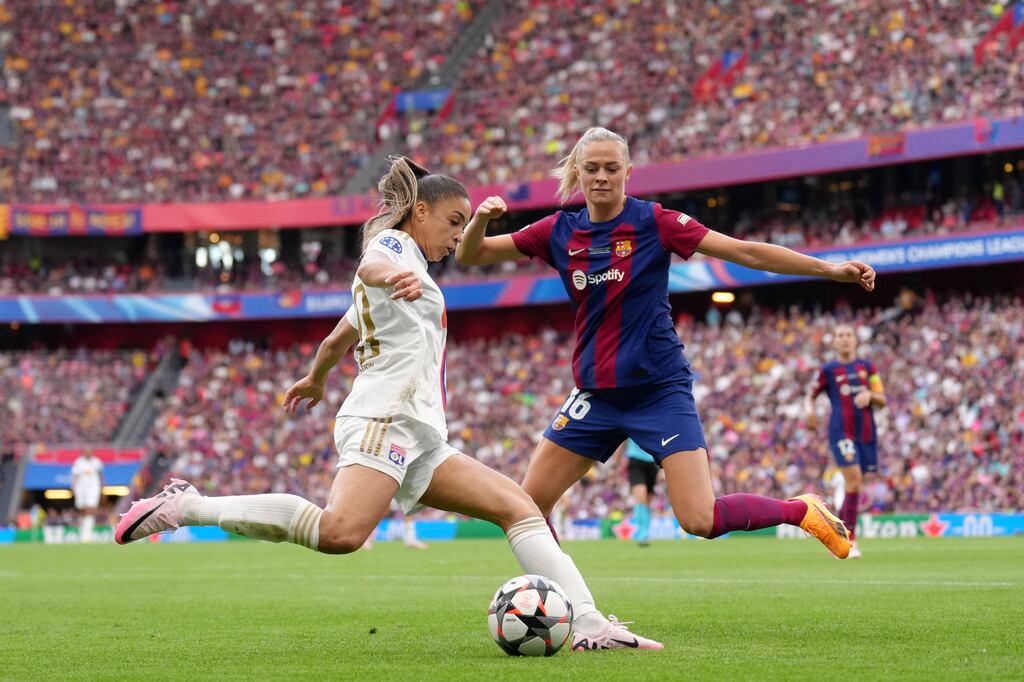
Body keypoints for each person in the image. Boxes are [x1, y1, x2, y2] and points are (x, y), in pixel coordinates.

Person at [116, 156, 660, 651]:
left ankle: (589, 623)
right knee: (340, 534)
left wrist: (315, 378)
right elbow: (372, 264)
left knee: (518, 507)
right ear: (419, 212)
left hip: (419, 432)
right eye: (454, 221)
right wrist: (390, 274)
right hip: (386, 419)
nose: (459, 235)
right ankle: (186, 507)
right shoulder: (397, 249)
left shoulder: (413, 274)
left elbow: (338, 338)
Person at [456, 127, 877, 560]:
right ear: (578, 173)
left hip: (658, 389)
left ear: (628, 172)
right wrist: (481, 221)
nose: (601, 176)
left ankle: (801, 510)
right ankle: (573, 609)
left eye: (611, 168)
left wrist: (830, 269)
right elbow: (471, 255)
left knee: (700, 519)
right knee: (527, 508)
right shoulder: (557, 231)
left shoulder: (654, 222)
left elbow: (744, 252)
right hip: (595, 394)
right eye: (592, 168)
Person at [806, 324, 887, 559]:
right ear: (834, 342)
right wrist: (809, 412)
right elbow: (809, 396)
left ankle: (836, 536)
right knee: (854, 480)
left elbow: (882, 398)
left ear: (855, 340)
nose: (844, 339)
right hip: (842, 431)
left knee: (858, 483)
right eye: (840, 335)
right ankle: (848, 541)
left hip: (867, 432)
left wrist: (870, 395)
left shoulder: (867, 366)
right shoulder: (828, 370)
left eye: (848, 335)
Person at [621, 439, 659, 546]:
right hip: (635, 461)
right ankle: (642, 532)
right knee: (640, 496)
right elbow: (622, 439)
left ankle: (645, 530)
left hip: (653, 463)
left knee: (647, 499)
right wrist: (618, 459)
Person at [71, 448, 104, 543]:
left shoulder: (97, 462)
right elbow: (74, 475)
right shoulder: (78, 462)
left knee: (90, 508)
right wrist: (73, 486)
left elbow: (101, 474)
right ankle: (82, 531)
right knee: (82, 509)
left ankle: (88, 534)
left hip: (93, 486)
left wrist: (102, 486)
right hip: (81, 487)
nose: (88, 453)